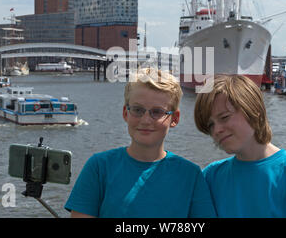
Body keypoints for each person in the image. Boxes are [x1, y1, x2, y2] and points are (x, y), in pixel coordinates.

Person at [65, 67, 216, 218]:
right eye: (137, 110)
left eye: (157, 112)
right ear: (126, 113)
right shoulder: (99, 167)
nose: (145, 120)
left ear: (174, 119)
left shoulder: (190, 175)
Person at [194, 74, 286, 218]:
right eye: (210, 125)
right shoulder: (211, 176)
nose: (217, 130)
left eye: (224, 117)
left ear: (253, 111)